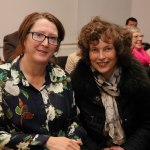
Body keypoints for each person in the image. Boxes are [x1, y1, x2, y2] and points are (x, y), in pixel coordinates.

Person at [0, 12, 86, 150]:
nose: (45, 43)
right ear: (23, 38)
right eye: (38, 35)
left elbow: (74, 121)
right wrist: (45, 142)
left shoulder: (62, 77)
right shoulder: (2, 78)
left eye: (52, 38)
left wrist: (73, 143)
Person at [71, 16, 150, 150]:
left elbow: (147, 124)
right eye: (95, 50)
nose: (101, 57)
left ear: (118, 51)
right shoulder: (78, 81)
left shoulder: (139, 79)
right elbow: (77, 125)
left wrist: (127, 148)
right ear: (87, 53)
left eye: (107, 49)